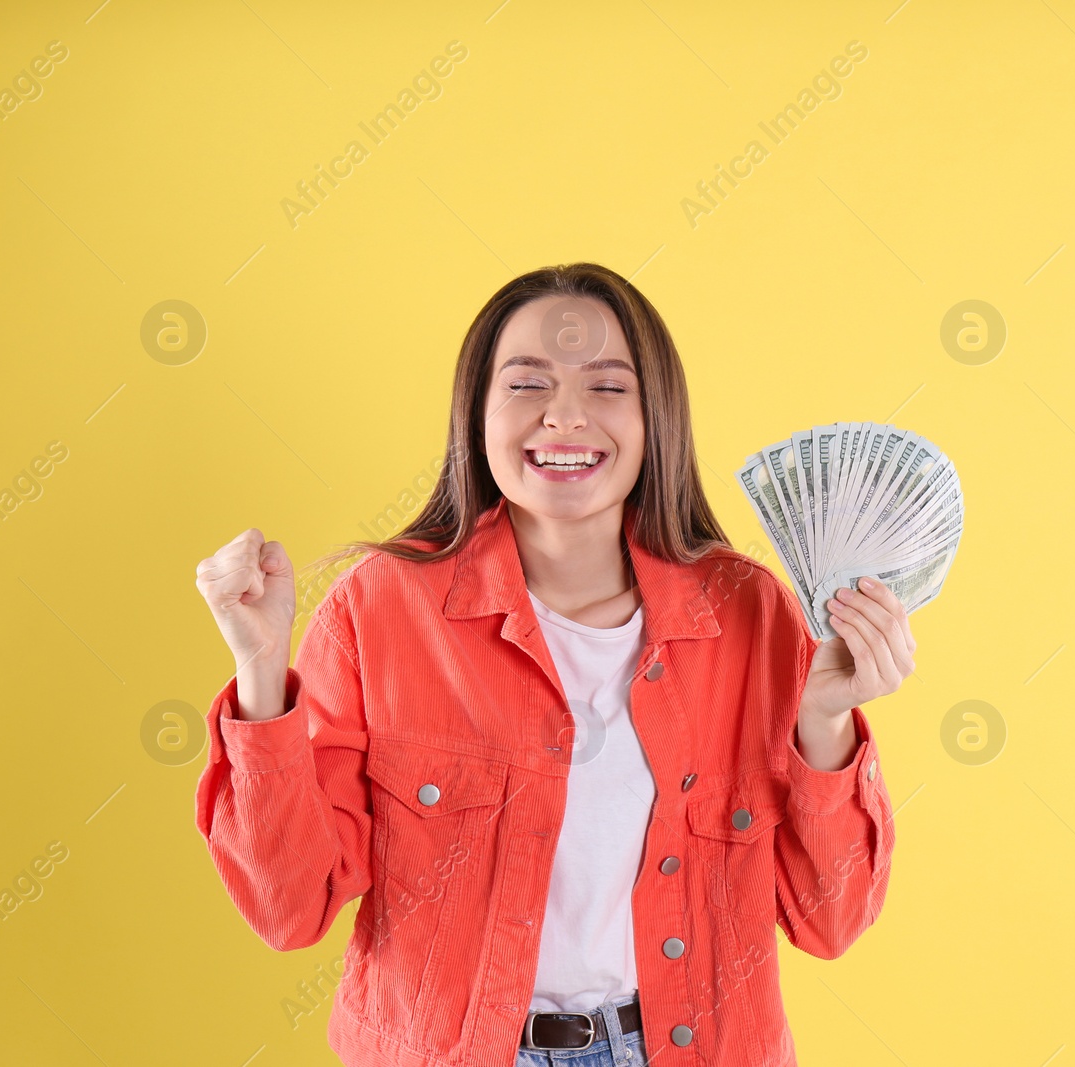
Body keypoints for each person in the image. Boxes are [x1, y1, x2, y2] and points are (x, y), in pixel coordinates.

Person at [192, 262, 909, 1067]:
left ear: (656, 418)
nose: (564, 416)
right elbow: (289, 906)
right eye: (527, 383)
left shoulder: (750, 611)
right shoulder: (380, 609)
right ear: (478, 413)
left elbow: (830, 918)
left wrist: (826, 724)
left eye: (607, 388)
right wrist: (260, 677)